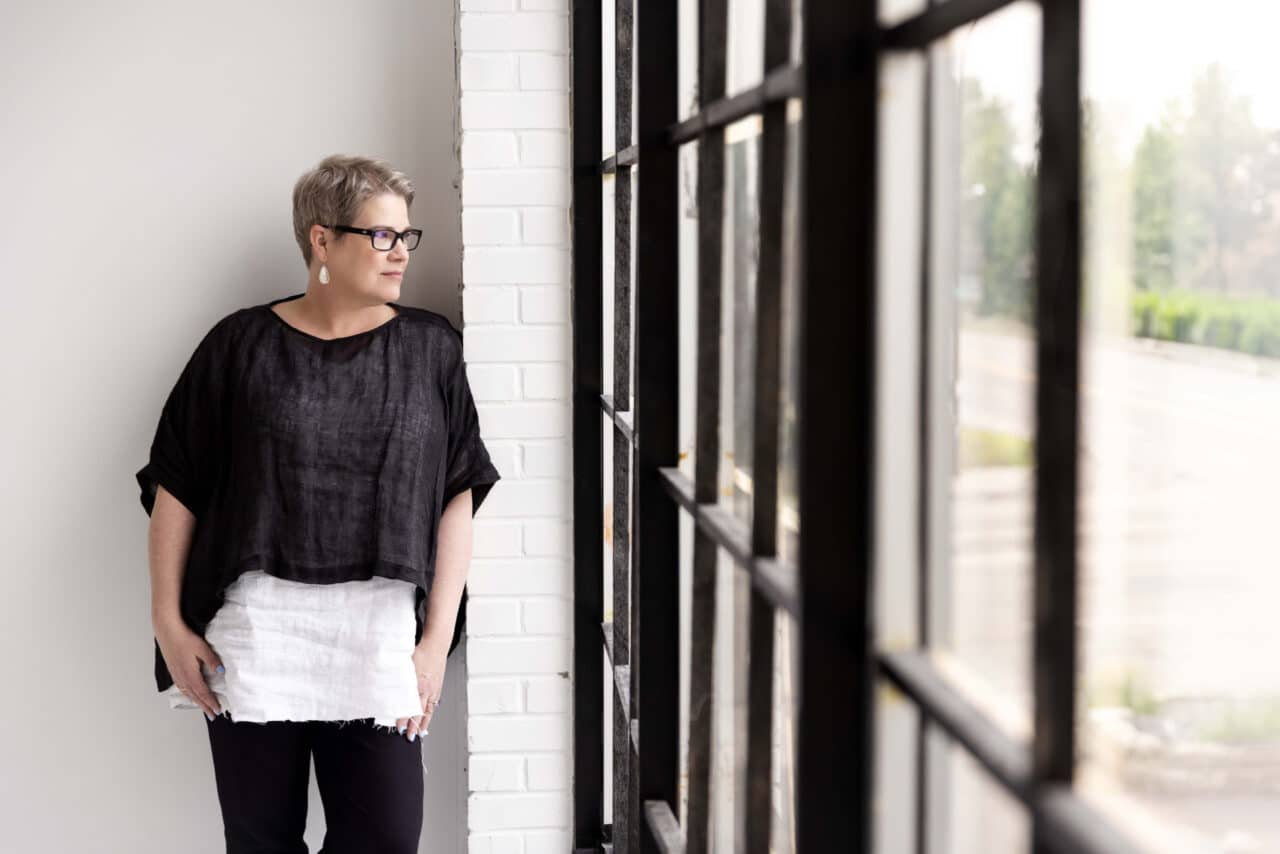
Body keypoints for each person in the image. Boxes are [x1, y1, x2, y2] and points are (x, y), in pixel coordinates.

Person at [136, 153, 501, 853]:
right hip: (255, 640)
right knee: (260, 840)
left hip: (378, 642)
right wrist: (166, 622)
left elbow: (461, 490)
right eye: (381, 235)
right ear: (321, 240)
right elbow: (176, 484)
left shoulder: (430, 349)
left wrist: (433, 641)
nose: (399, 253)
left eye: (405, 236)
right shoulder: (239, 346)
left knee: (387, 838)